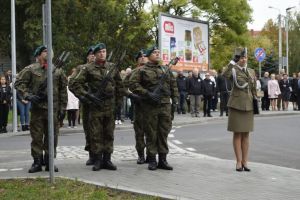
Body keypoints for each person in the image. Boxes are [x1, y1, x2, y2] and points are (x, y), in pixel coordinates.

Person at [69, 43, 124, 171]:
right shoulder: (87, 68)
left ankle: (107, 159)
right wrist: (87, 96)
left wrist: (118, 103)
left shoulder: (112, 67)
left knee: (109, 133)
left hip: (109, 106)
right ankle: (98, 160)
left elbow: (120, 86)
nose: (102, 54)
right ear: (95, 54)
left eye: (104, 51)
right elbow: (73, 83)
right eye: (99, 52)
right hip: (95, 106)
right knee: (96, 134)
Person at [15, 45, 67, 173]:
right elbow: (18, 83)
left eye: (49, 51)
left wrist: (62, 109)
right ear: (38, 55)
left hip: (53, 110)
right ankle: (37, 162)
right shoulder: (31, 69)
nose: (48, 52)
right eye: (44, 51)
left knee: (52, 136)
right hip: (38, 110)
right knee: (37, 137)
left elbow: (63, 91)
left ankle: (50, 162)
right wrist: (28, 95)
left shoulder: (57, 70)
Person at [129, 46, 178, 170]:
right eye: (154, 53)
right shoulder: (142, 70)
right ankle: (152, 160)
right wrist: (147, 94)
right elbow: (133, 84)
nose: (157, 54)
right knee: (151, 133)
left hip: (165, 105)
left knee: (163, 132)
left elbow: (173, 85)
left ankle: (163, 160)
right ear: (148, 55)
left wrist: (175, 101)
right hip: (150, 106)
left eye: (158, 52)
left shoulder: (165, 69)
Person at [223, 47, 257, 172]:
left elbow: (253, 89)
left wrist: (256, 101)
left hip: (248, 105)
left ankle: (245, 162)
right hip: (236, 104)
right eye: (241, 57)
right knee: (237, 133)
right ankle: (238, 161)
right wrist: (233, 61)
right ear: (238, 59)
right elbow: (224, 75)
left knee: (246, 134)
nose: (244, 59)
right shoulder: (233, 70)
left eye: (245, 57)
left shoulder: (251, 71)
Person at [69, 46, 95, 165]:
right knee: (89, 130)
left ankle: (103, 156)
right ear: (87, 56)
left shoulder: (106, 68)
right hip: (88, 104)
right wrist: (82, 96)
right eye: (90, 54)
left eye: (95, 53)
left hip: (102, 104)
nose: (93, 56)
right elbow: (72, 84)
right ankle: (92, 155)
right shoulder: (81, 68)